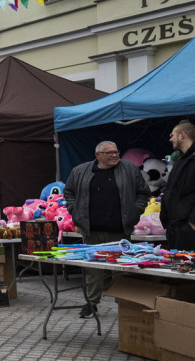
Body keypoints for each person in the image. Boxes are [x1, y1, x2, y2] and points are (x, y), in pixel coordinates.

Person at [64, 140, 150, 318]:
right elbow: (69, 192)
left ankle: (124, 305)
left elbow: (143, 192)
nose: (115, 155)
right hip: (92, 230)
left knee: (121, 270)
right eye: (110, 152)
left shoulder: (129, 169)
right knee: (92, 270)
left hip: (119, 230)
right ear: (98, 155)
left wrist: (135, 211)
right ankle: (91, 304)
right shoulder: (80, 171)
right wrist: (75, 210)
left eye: (116, 152)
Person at [162, 120, 195, 250]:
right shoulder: (180, 160)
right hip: (174, 227)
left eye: (172, 135)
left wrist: (192, 221)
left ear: (182, 135)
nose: (170, 139)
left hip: (188, 228)